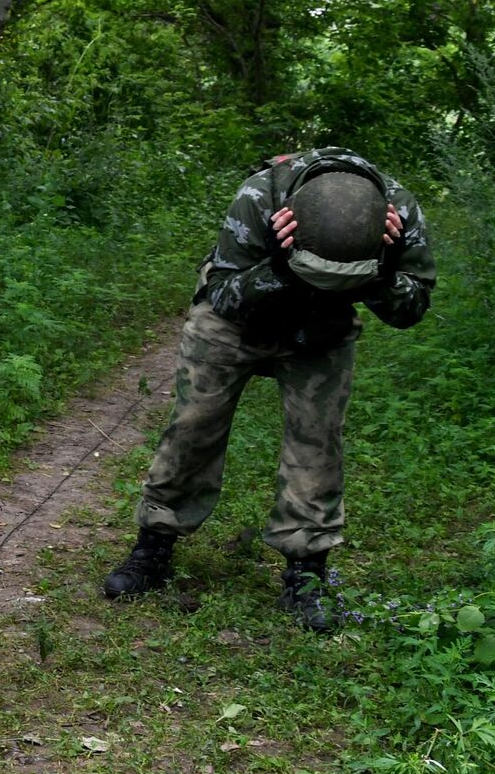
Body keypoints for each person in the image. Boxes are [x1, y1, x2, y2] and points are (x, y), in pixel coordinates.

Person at [102, 147, 436, 630]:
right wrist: (280, 266)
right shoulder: (260, 198)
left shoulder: (398, 212)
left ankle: (307, 572)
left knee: (317, 441)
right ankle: (154, 546)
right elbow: (226, 295)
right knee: (194, 425)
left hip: (322, 329)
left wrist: (381, 273)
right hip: (234, 321)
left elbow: (411, 310)